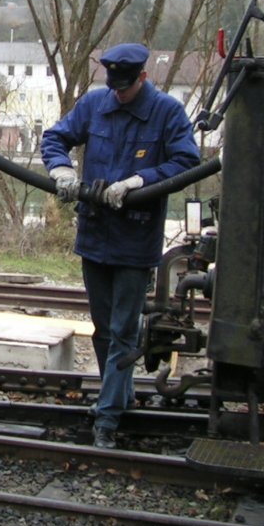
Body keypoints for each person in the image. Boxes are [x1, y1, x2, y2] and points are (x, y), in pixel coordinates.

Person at [41, 43, 199, 449]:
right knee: (103, 329)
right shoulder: (95, 104)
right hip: (94, 237)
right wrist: (60, 168)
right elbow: (55, 137)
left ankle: (107, 420)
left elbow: (187, 161)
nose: (120, 94)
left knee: (124, 331)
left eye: (126, 88)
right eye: (115, 87)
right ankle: (122, 395)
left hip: (135, 240)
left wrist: (139, 181)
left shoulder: (167, 112)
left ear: (142, 78)